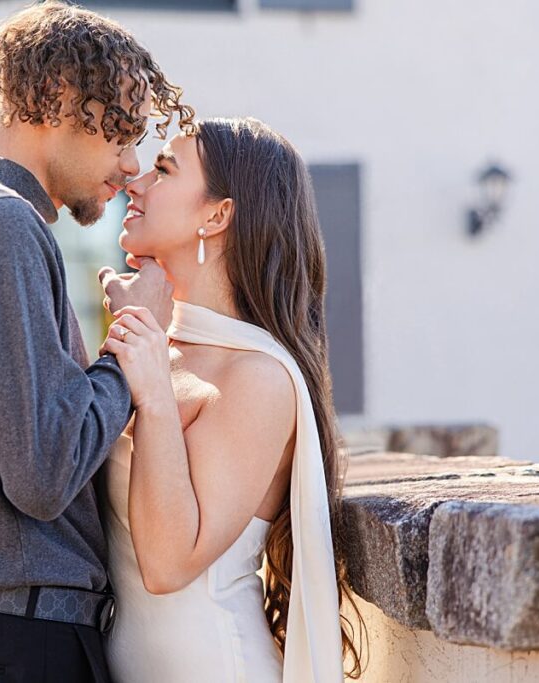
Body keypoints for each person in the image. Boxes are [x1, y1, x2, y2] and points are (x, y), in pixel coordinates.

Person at [0, 3, 192, 681]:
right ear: (57, 98)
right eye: (119, 132)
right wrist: (131, 341)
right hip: (16, 645)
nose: (130, 162)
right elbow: (43, 470)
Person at [97, 117, 365, 682]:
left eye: (165, 169)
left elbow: (168, 564)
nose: (135, 183)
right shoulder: (157, 350)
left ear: (217, 215)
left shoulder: (260, 378)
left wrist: (148, 384)